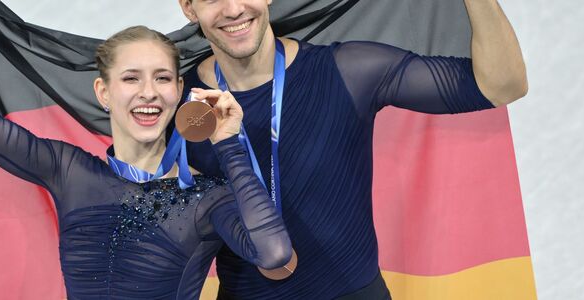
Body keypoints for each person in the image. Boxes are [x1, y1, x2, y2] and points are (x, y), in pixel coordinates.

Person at [0, 0, 295, 299]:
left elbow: (274, 254)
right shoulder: (70, 171)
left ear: (178, 91)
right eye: (131, 78)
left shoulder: (207, 199)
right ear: (104, 93)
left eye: (161, 78)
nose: (148, 91)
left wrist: (228, 142)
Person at [175, 0, 528, 299]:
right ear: (188, 7)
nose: (233, 9)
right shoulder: (174, 106)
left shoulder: (349, 70)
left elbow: (501, 86)